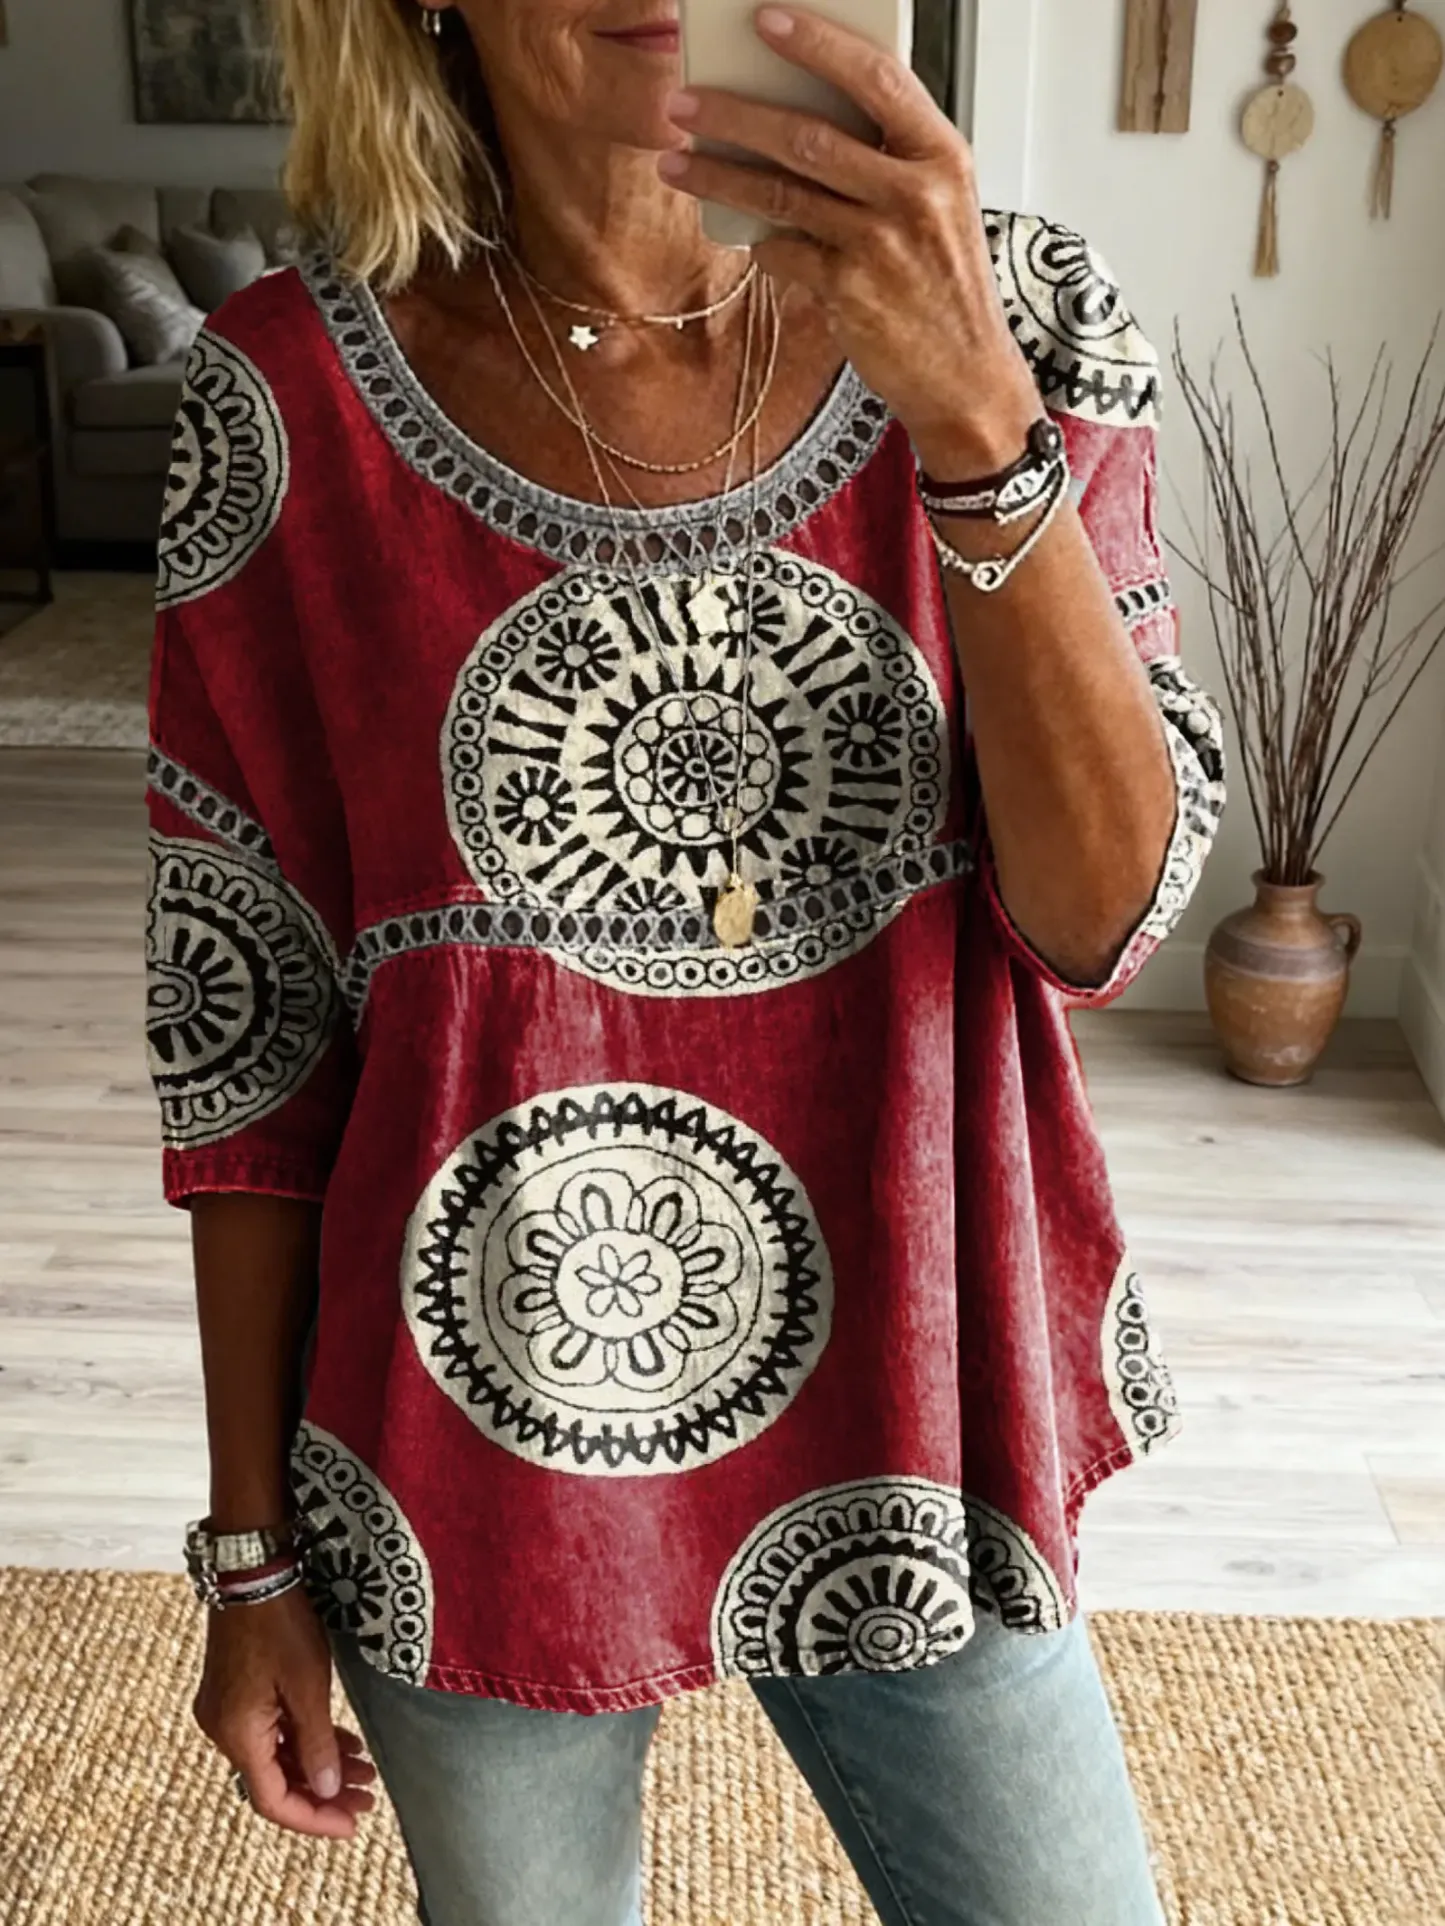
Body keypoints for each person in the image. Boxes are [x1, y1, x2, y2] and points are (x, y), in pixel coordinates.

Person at [147, 3, 1226, 1922]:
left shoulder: (1012, 310)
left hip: (919, 1395)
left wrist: (975, 421)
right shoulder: (286, 399)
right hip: (473, 1431)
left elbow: (1104, 917)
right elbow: (250, 1039)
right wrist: (251, 1555)